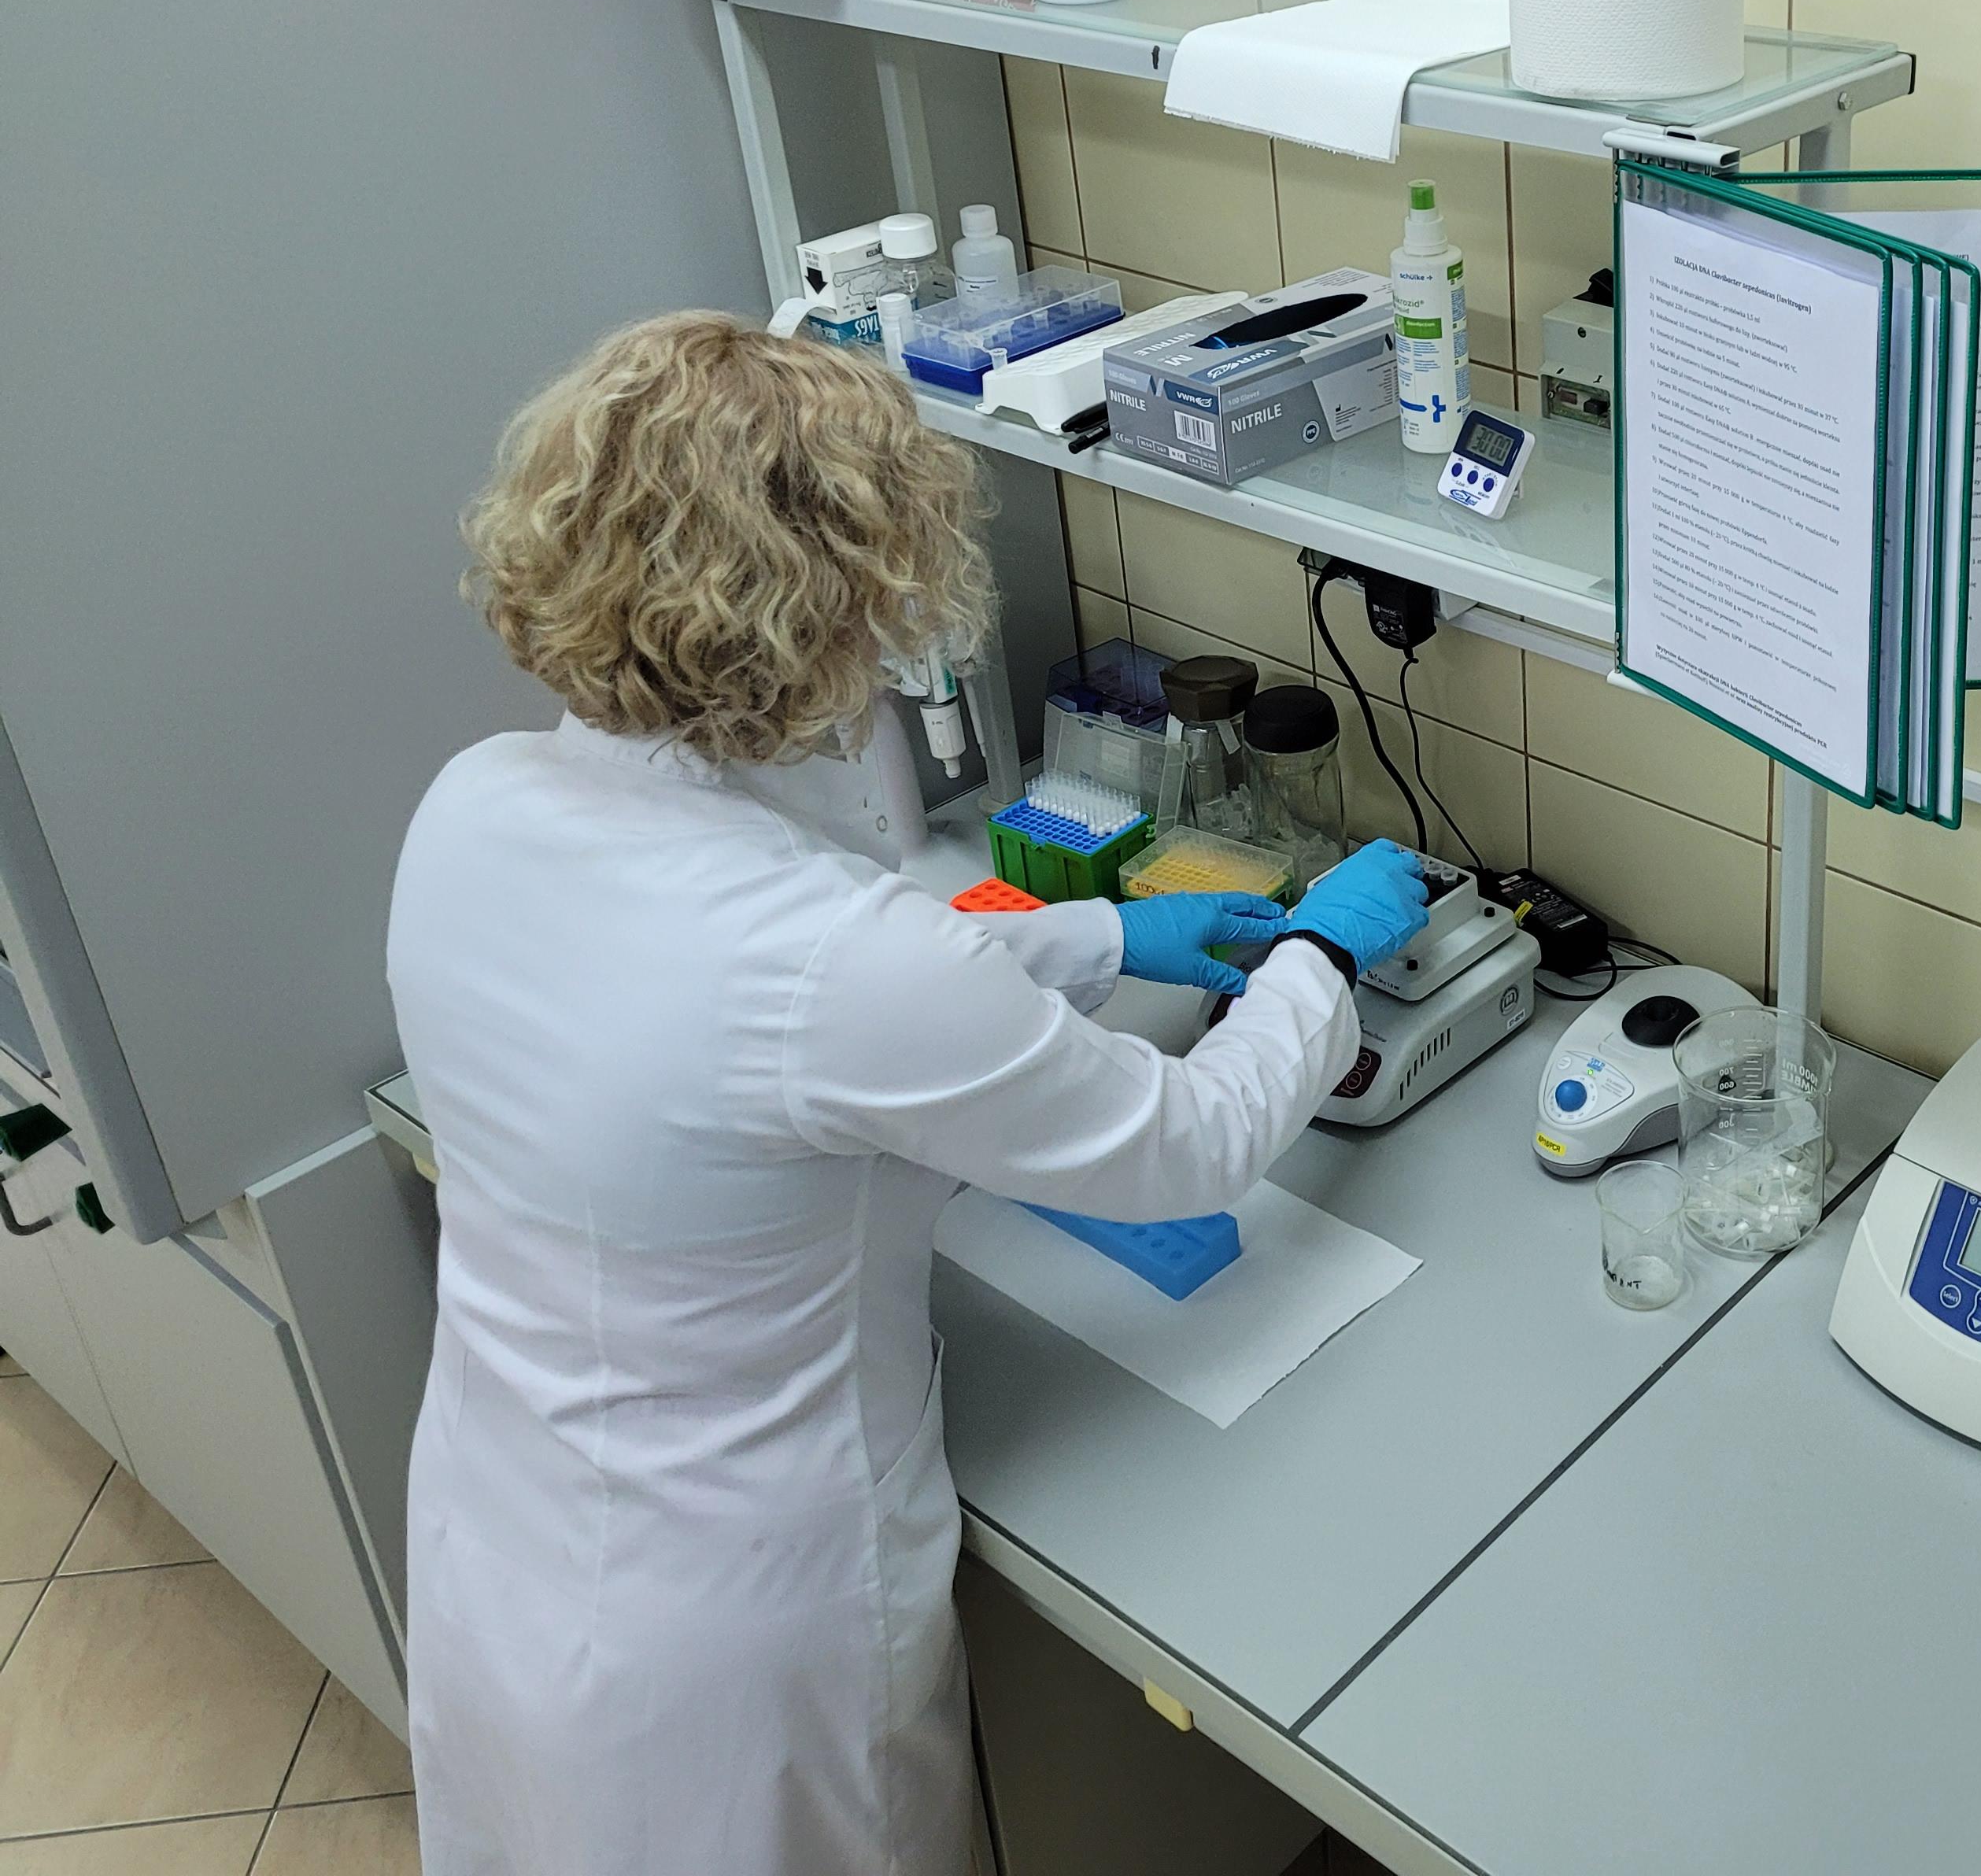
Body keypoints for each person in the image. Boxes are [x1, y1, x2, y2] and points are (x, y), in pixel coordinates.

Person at [386, 312, 1432, 1876]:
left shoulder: (476, 804)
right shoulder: (832, 966)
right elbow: (1190, 1143)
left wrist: (1101, 936)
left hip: (508, 1541)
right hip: (735, 1643)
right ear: (839, 594)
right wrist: (1317, 958)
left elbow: (732, 1009)